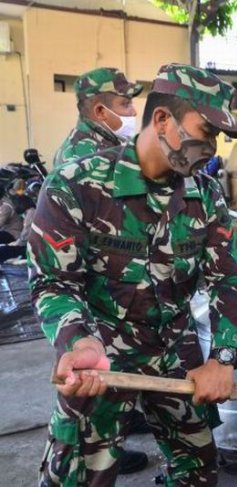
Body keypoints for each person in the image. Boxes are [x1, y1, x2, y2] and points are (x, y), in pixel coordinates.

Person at [30, 63, 237, 486]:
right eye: (205, 132)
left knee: (198, 471)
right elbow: (55, 283)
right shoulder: (77, 185)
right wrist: (77, 340)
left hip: (175, 352)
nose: (211, 147)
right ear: (163, 120)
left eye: (217, 137)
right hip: (103, 357)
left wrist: (222, 357)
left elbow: (228, 277)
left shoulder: (204, 194)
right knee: (76, 479)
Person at [51, 67, 151, 474]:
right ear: (99, 110)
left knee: (120, 377)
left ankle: (123, 418)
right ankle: (109, 445)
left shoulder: (108, 146)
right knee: (96, 396)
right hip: (98, 302)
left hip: (115, 295)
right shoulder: (83, 159)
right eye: (125, 104)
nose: (132, 111)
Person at [54, 67, 143, 167]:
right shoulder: (85, 158)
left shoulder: (106, 142)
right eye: (126, 105)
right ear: (100, 112)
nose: (134, 112)